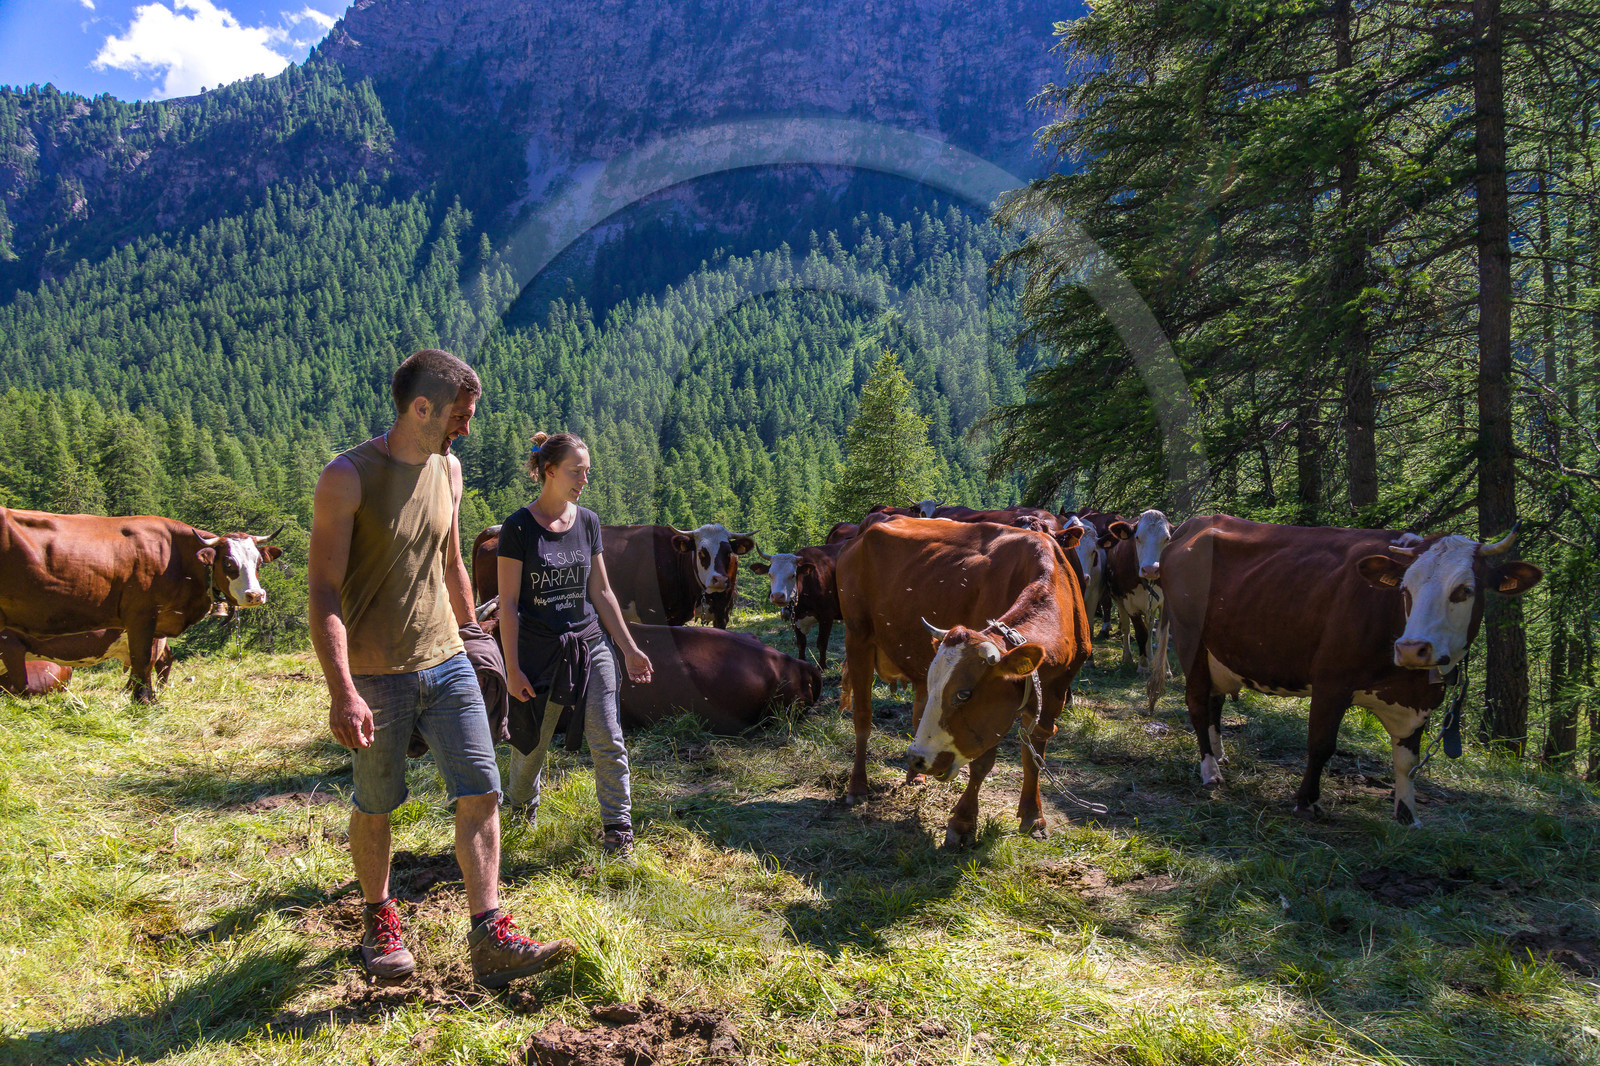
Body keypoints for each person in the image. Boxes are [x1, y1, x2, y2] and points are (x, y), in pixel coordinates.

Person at [308, 348, 575, 987]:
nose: (467, 428)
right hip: (376, 674)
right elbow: (322, 591)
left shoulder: (448, 470)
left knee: (481, 789)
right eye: (460, 415)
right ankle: (379, 917)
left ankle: (490, 932)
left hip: (448, 661)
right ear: (421, 407)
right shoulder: (347, 477)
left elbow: (451, 559)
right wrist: (342, 689)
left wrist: (476, 638)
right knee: (377, 803)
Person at [498, 431, 653, 855]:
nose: (584, 480)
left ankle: (618, 828)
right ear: (549, 471)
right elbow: (508, 604)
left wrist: (628, 648)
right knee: (531, 744)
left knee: (608, 737)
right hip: (537, 653)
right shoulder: (518, 528)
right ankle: (519, 812)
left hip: (589, 645)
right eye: (576, 471)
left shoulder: (587, 521)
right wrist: (512, 669)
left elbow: (601, 592)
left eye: (587, 472)